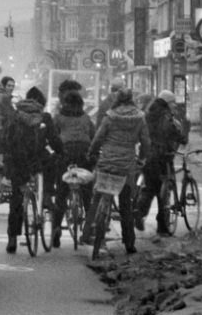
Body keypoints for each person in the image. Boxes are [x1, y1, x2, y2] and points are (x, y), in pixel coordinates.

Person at [81, 88, 149, 254]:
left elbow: (98, 138)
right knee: (125, 204)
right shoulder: (139, 118)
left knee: (96, 198)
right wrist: (142, 159)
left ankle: (86, 233)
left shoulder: (110, 116)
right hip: (126, 166)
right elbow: (145, 142)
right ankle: (129, 243)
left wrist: (93, 152)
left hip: (108, 162)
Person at [3, 87, 58, 253]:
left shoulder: (13, 116)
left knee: (16, 199)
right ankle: (47, 197)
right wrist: (61, 151)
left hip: (16, 162)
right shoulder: (44, 117)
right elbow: (54, 140)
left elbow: (5, 139)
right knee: (49, 169)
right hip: (36, 161)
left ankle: (12, 238)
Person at [135, 90, 187, 234]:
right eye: (172, 103)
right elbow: (169, 130)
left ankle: (139, 213)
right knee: (164, 191)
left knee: (150, 187)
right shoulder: (165, 115)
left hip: (148, 155)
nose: (174, 106)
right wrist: (181, 138)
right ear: (167, 102)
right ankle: (163, 226)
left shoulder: (149, 112)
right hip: (162, 156)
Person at [52, 89, 95, 248]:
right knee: (87, 191)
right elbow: (93, 134)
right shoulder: (86, 117)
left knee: (61, 193)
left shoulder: (59, 117)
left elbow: (54, 137)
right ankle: (88, 229)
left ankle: (56, 228)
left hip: (65, 155)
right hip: (84, 154)